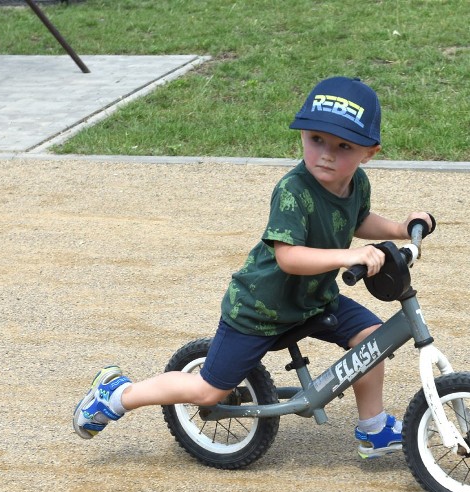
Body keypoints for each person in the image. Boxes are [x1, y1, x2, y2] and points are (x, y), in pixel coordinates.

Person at [73, 76, 432, 459]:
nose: (326, 154)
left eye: (343, 146)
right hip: (261, 308)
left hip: (313, 298)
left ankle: (373, 429)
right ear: (303, 136)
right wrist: (350, 256)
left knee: (372, 340)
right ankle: (118, 395)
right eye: (316, 140)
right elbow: (288, 257)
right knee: (209, 390)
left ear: (369, 153)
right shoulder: (293, 191)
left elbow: (355, 219)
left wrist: (399, 229)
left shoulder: (356, 182)